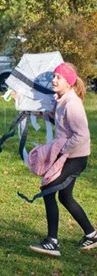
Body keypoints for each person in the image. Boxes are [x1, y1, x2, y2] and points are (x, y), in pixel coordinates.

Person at [29, 62, 97, 256]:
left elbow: (81, 135)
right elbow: (55, 118)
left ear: (69, 82)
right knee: (65, 196)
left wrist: (61, 151)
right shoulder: (61, 100)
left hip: (75, 157)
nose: (54, 80)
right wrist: (34, 112)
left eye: (59, 77)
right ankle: (91, 234)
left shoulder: (72, 103)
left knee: (48, 189)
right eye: (54, 76)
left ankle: (52, 242)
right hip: (70, 155)